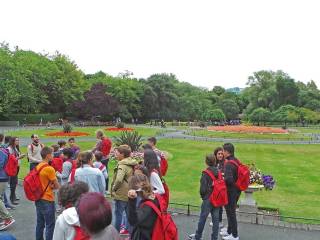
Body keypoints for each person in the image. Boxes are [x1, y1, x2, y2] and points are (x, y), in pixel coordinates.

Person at [188, 154, 220, 240]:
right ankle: (214, 238)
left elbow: (202, 190)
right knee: (216, 220)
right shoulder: (218, 171)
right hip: (217, 198)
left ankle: (198, 236)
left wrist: (204, 197)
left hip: (208, 199)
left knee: (202, 218)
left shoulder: (205, 173)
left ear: (206, 162)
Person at [35, 146, 60, 240]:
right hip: (47, 198)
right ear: (48, 155)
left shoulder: (38, 166)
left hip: (38, 197)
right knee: (50, 224)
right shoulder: (49, 169)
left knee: (40, 223)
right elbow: (57, 185)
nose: (53, 155)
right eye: (52, 154)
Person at [111, 145, 137, 232]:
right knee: (129, 215)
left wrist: (114, 188)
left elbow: (119, 179)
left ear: (122, 154)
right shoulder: (132, 162)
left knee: (118, 215)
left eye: (117, 152)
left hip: (121, 194)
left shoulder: (122, 165)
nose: (116, 154)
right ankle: (131, 234)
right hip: (130, 192)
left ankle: (115, 234)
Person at [127, 174, 160, 240]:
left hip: (144, 236)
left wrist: (131, 200)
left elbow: (133, 221)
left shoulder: (147, 206)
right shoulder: (155, 198)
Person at [220, 143, 240, 240]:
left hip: (231, 192)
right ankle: (229, 231)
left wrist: (222, 180)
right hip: (237, 191)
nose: (222, 152)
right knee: (230, 211)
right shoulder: (235, 160)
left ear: (227, 152)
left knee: (231, 213)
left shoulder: (228, 164)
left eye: (223, 151)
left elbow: (229, 180)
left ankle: (235, 235)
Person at [0, 143, 15, 230]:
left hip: (2, 177)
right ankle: (4, 217)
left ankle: (7, 218)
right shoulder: (3, 150)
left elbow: (1, 164)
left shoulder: (1, 152)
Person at [7, 137, 26, 205]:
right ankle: (12, 198)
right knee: (13, 183)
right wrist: (19, 157)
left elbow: (16, 157)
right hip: (12, 168)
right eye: (16, 140)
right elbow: (11, 159)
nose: (18, 141)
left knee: (15, 182)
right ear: (13, 141)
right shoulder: (9, 149)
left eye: (18, 140)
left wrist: (20, 156)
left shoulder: (15, 148)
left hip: (17, 167)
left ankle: (13, 196)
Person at [214, 147, 225, 228]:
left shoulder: (224, 164)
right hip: (214, 187)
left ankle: (220, 221)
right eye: (219, 154)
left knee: (220, 205)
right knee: (214, 204)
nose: (220, 155)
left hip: (221, 188)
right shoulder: (214, 163)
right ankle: (215, 220)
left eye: (221, 154)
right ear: (215, 155)